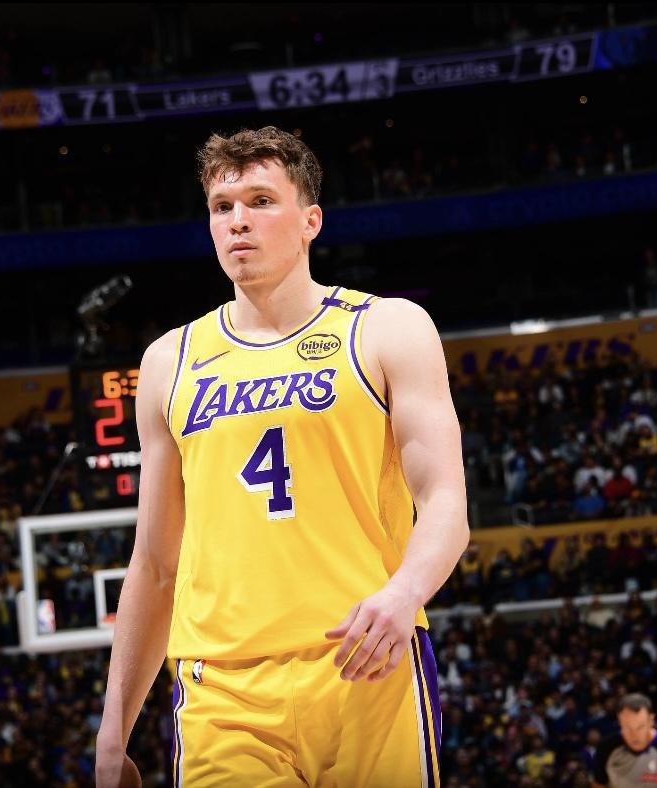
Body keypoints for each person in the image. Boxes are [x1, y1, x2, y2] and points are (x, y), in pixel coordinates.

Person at [94, 126, 468, 787]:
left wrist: (404, 592)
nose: (238, 221)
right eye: (222, 206)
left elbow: (444, 502)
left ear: (310, 221)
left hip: (368, 665)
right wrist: (112, 727)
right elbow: (154, 563)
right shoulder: (168, 361)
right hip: (224, 690)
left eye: (261, 201)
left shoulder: (386, 328)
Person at [592, 693, 657, 787]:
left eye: (640, 727)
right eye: (628, 727)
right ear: (619, 722)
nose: (634, 735)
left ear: (651, 721)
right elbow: (599, 784)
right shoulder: (606, 748)